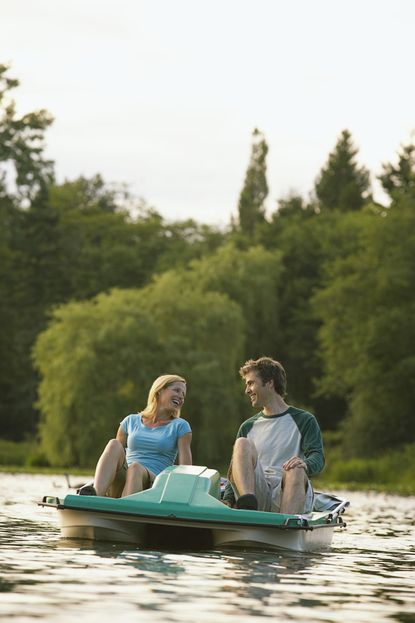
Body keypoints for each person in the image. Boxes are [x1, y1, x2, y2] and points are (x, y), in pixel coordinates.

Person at [222, 357, 324, 514]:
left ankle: (287, 527)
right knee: (242, 443)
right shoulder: (248, 426)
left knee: (295, 469)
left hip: (289, 490)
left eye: (251, 383)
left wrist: (305, 464)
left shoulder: (304, 420)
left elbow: (318, 457)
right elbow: (235, 466)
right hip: (259, 493)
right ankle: (247, 507)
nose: (247, 390)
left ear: (269, 383)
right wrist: (228, 499)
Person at [78, 374, 192, 497]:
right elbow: (116, 458)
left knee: (136, 468)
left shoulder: (181, 426)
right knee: (114, 444)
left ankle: (125, 508)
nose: (181, 396)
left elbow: (185, 468)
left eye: (183, 395)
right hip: (125, 478)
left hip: (155, 484)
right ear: (160, 390)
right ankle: (96, 495)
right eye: (177, 390)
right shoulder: (130, 421)